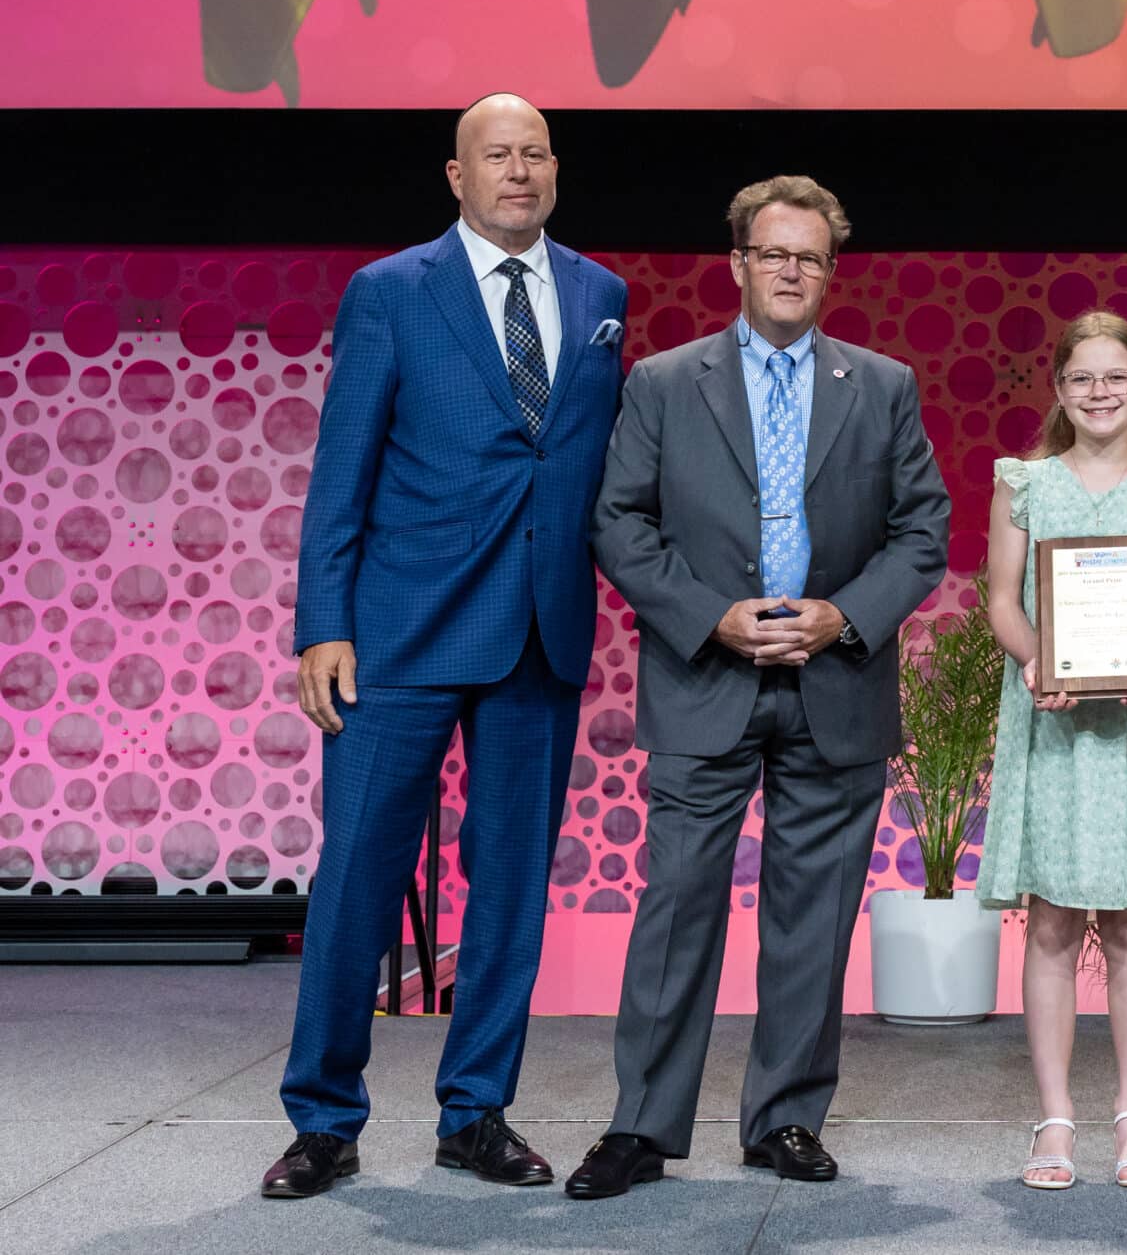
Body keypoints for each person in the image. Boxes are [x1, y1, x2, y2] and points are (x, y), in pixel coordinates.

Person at [266, 94, 627, 1200]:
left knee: (511, 887)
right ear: (456, 176)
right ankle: (325, 1119)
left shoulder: (601, 294)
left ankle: (476, 1114)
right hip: (399, 634)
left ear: (554, 171)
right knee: (360, 881)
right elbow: (343, 469)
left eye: (534, 154)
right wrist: (322, 621)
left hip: (538, 629)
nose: (517, 171)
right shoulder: (389, 292)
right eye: (495, 156)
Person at [565, 176, 950, 1200]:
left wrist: (844, 615)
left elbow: (922, 533)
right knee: (677, 907)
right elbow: (619, 523)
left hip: (836, 681)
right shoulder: (659, 381)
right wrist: (707, 616)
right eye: (772, 254)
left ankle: (784, 1119)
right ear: (736, 264)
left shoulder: (882, 384)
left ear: (831, 271)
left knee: (812, 920)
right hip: (704, 676)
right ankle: (641, 1128)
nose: (790, 271)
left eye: (809, 257)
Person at [978, 312, 1127, 1190]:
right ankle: (1055, 1121)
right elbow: (1002, 596)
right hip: (1052, 717)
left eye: (1117, 377)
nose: (1100, 393)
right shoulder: (1025, 484)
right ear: (1060, 390)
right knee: (1049, 922)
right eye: (1083, 379)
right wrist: (1039, 657)